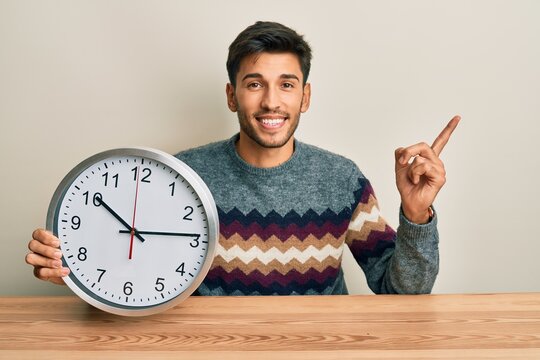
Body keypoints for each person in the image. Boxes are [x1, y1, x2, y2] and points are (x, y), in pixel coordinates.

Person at [26, 21, 460, 295]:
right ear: (232, 95)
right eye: (255, 84)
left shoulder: (341, 178)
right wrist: (73, 269)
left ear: (305, 97)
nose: (272, 101)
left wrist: (416, 214)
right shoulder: (180, 176)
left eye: (287, 84)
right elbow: (134, 274)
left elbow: (402, 291)